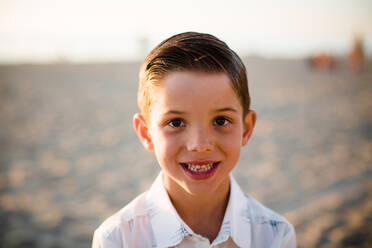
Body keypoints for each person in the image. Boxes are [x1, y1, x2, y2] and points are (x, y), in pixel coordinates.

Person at [92, 32, 296, 248]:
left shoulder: (275, 235)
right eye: (176, 123)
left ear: (246, 129)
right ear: (146, 132)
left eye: (220, 120)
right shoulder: (117, 239)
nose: (199, 145)